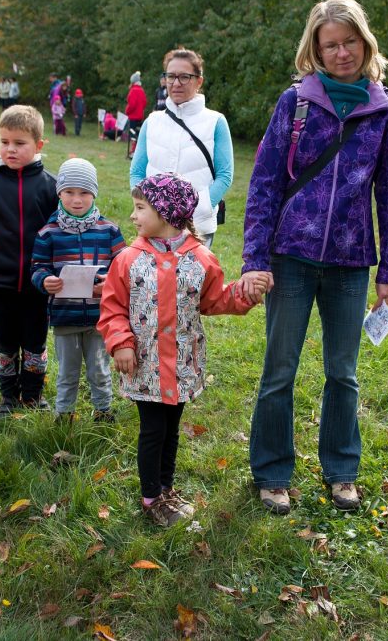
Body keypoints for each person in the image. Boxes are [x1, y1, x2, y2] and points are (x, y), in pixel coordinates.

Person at [241, 0, 388, 516]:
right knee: (279, 370)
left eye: (349, 42)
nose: (341, 53)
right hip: (290, 256)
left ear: (365, 42)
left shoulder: (387, 110)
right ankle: (272, 472)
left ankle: (342, 471)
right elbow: (264, 183)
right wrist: (255, 258)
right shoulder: (295, 103)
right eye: (330, 45)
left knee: (344, 372)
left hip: (350, 262)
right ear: (315, 50)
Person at [98, 173, 266, 527]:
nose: (133, 216)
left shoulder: (201, 258)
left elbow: (216, 300)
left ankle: (166, 489)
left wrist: (246, 293)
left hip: (182, 364)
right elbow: (112, 307)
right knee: (153, 430)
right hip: (144, 366)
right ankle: (151, 498)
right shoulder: (128, 259)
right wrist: (121, 343)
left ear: (166, 213)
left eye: (140, 208)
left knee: (171, 429)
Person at [0, 105, 59, 415]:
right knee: (4, 342)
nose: (10, 149)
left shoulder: (50, 186)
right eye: (4, 142)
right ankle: (8, 395)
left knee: (35, 342)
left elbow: (59, 234)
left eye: (19, 143)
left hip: (37, 285)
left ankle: (32, 394)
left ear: (39, 144)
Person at [32, 158, 126, 420]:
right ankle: (64, 415)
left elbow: (124, 268)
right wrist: (44, 281)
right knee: (67, 372)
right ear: (59, 194)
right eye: (69, 192)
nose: (76, 200)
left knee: (99, 369)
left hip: (101, 317)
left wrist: (110, 284)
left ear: (94, 194)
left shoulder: (109, 231)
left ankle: (103, 412)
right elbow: (38, 267)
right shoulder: (48, 233)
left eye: (84, 192)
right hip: (65, 316)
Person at [129, 48, 233, 249]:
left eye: (184, 77)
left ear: (199, 81)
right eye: (171, 76)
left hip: (197, 226)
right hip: (154, 225)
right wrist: (146, 208)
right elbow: (137, 172)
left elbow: (225, 175)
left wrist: (199, 208)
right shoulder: (152, 122)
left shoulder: (215, 122)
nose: (176, 83)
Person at [124, 71, 147, 158]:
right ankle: (136, 150)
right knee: (137, 134)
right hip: (140, 116)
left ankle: (133, 151)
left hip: (133, 116)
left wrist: (127, 111)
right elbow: (144, 103)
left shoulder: (133, 90)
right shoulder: (142, 90)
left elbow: (132, 104)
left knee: (132, 134)